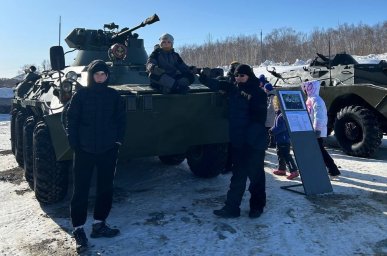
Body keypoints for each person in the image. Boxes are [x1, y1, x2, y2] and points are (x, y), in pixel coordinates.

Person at [66, 60, 126, 253]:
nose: (100, 77)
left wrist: (118, 141)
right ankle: (78, 229)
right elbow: (72, 120)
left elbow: (120, 120)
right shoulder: (81, 95)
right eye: (97, 74)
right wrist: (74, 143)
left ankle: (99, 223)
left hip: (108, 149)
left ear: (108, 76)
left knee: (105, 188)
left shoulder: (113, 95)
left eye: (103, 74)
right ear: (91, 75)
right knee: (81, 190)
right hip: (85, 149)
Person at [199, 64, 267, 218]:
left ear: (249, 75)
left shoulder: (258, 93)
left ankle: (257, 206)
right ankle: (232, 207)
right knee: (238, 176)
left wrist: (250, 139)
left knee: (256, 176)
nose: (239, 78)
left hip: (253, 142)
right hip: (238, 140)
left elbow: (259, 119)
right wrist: (202, 75)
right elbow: (216, 84)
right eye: (237, 76)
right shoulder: (233, 89)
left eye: (242, 75)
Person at [302, 80, 341, 176]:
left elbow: (320, 116)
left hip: (316, 131)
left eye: (306, 88)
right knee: (318, 150)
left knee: (319, 150)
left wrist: (317, 130)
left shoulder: (316, 100)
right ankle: (330, 169)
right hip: (312, 130)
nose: (305, 90)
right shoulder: (311, 99)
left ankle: (333, 169)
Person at [270, 96, 299, 180]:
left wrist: (273, 131)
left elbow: (281, 127)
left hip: (283, 139)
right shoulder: (279, 114)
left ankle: (294, 171)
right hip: (280, 139)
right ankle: (282, 169)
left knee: (286, 155)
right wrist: (272, 129)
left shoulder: (282, 115)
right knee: (280, 154)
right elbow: (276, 125)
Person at [264, 83, 276, 148]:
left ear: (267, 89)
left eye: (265, 89)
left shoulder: (272, 96)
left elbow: (271, 107)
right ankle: (271, 142)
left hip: (271, 115)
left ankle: (272, 143)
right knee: (270, 130)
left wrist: (265, 110)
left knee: (269, 130)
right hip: (272, 115)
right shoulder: (272, 95)